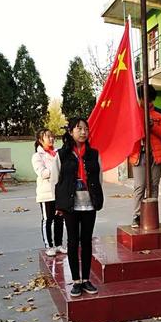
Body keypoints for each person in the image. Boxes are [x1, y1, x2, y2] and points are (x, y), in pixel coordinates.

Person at [53, 118, 104, 297]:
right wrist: (58, 205)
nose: (83, 132)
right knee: (73, 242)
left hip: (89, 204)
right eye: (79, 129)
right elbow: (56, 181)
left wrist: (98, 197)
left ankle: (86, 279)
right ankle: (76, 280)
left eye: (86, 129)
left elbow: (99, 179)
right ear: (70, 132)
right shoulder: (61, 155)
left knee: (87, 241)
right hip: (70, 205)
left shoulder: (94, 153)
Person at [129, 84, 161, 228]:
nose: (144, 101)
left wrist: (153, 125)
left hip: (156, 155)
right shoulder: (133, 114)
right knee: (139, 186)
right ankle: (137, 215)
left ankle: (151, 215)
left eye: (147, 99)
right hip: (139, 155)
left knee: (153, 186)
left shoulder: (160, 114)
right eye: (141, 98)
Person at [31, 128, 66, 257]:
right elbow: (42, 173)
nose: (51, 139)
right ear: (40, 140)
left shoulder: (57, 153)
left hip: (59, 192)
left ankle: (58, 244)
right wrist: (56, 169)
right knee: (48, 219)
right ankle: (48, 246)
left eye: (52, 136)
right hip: (46, 194)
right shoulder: (37, 156)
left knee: (59, 219)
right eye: (47, 137)